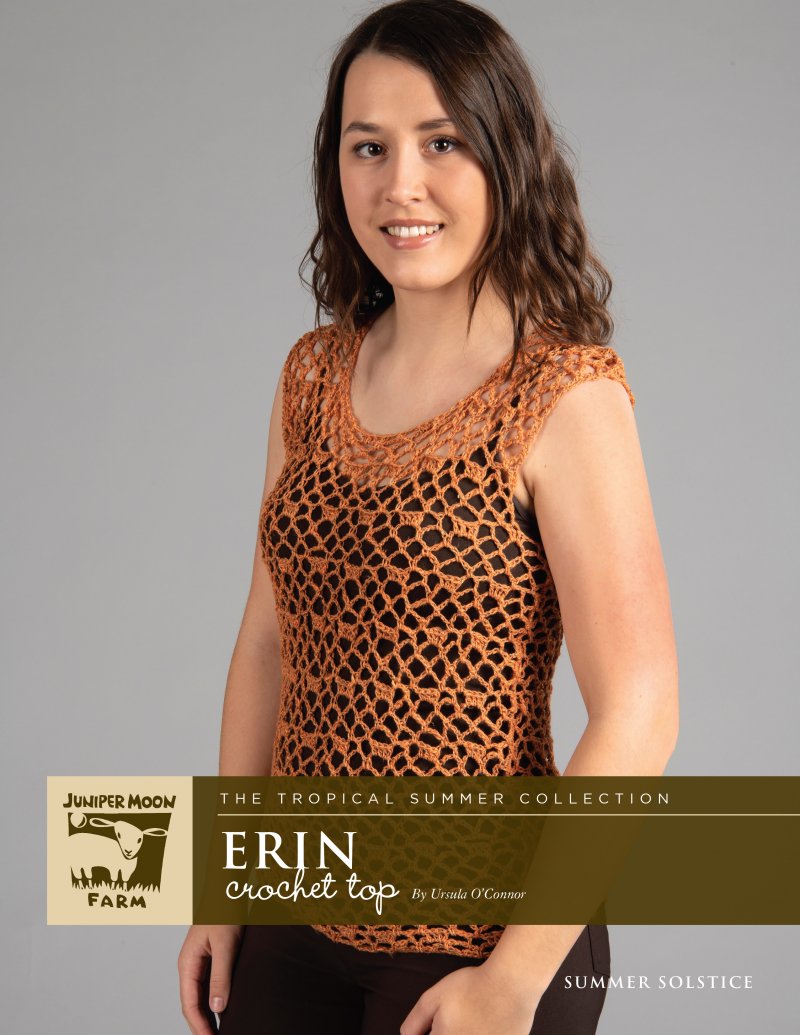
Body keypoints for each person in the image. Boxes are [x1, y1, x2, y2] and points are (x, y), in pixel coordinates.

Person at [177, 1, 679, 1032]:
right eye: (368, 147)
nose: (399, 184)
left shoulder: (562, 395)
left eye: (441, 142)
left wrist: (513, 976)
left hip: (482, 936)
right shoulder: (312, 376)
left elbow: (640, 708)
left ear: (507, 155)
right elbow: (267, 642)